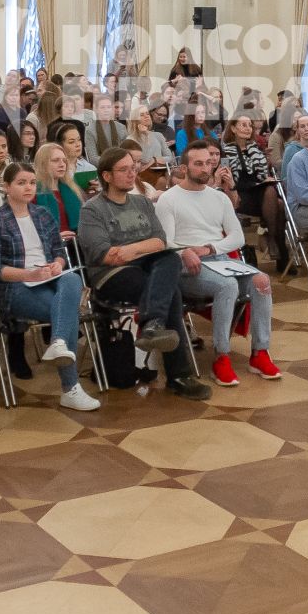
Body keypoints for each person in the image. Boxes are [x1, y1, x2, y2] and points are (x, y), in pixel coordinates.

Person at [78, 148, 212, 400]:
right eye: (124, 169)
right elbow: (103, 255)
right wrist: (140, 249)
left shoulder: (141, 202)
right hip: (111, 275)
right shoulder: (92, 210)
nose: (132, 173)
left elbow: (160, 241)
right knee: (169, 290)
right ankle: (178, 374)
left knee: (171, 258)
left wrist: (128, 250)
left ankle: (153, 324)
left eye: (133, 167)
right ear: (106, 176)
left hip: (147, 267)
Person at [157, 140, 280, 387]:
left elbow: (237, 236)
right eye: (198, 163)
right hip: (186, 264)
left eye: (208, 163)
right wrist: (186, 252)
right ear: (184, 167)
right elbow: (166, 242)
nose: (205, 168)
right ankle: (221, 357)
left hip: (218, 258)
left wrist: (211, 247)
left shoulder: (220, 198)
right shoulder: (169, 199)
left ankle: (260, 353)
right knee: (227, 286)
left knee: (261, 281)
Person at [0, 165, 100, 412]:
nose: (28, 188)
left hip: (49, 279)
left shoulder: (43, 214)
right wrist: (30, 274)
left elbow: (59, 252)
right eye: (21, 182)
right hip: (16, 285)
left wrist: (57, 264)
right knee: (69, 311)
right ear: (7, 187)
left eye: (32, 182)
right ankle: (71, 388)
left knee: (71, 279)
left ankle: (57, 342)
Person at [217, 113, 288, 273]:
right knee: (278, 204)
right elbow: (225, 175)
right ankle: (277, 246)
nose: (247, 128)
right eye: (243, 125)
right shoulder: (225, 151)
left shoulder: (256, 149)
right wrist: (232, 190)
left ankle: (272, 238)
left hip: (259, 191)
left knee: (277, 200)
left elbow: (262, 176)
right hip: (240, 193)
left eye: (249, 125)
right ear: (233, 128)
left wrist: (266, 164)